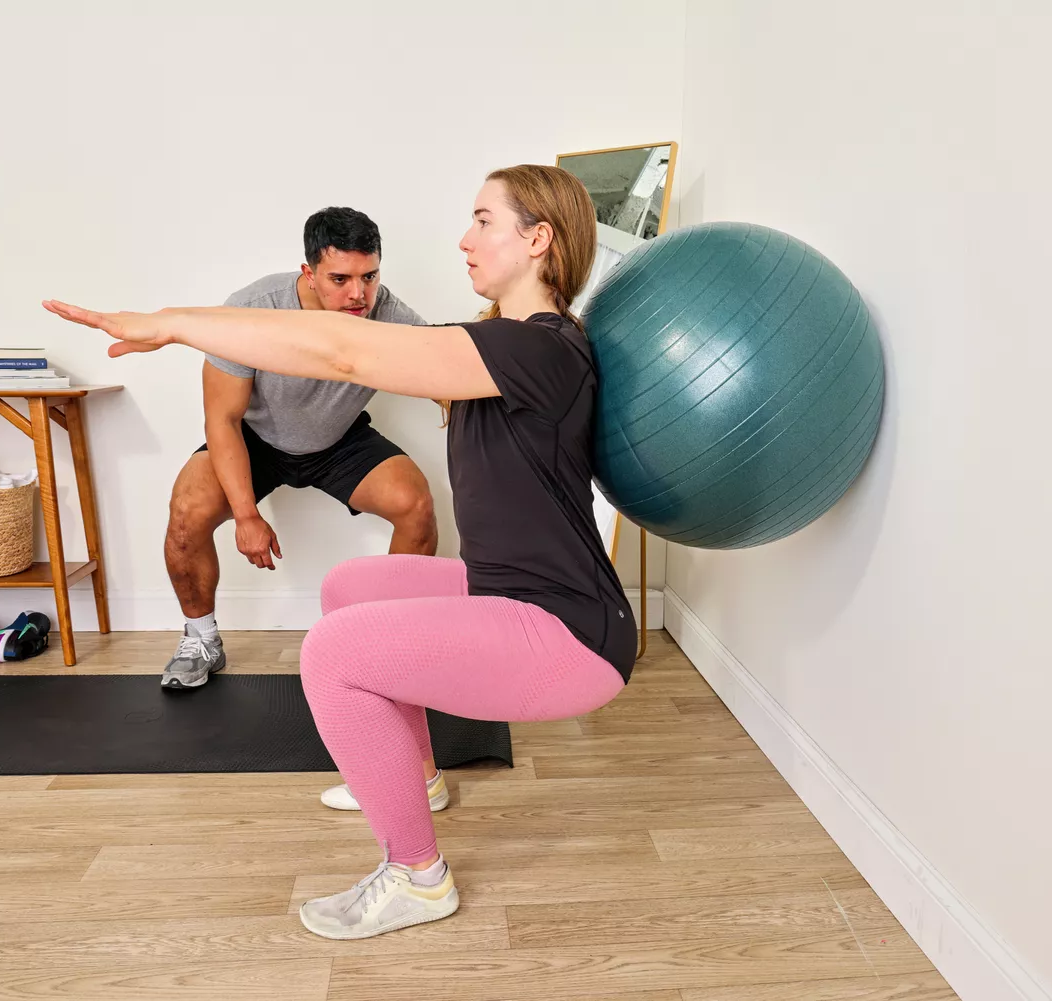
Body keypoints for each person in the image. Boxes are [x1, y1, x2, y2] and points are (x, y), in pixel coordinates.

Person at [43, 163, 636, 941]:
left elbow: (345, 352)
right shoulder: (502, 348)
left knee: (331, 653)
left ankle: (418, 876)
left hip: (568, 630)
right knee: (354, 587)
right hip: (512, 590)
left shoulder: (538, 349)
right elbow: (343, 346)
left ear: (538, 239)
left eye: (483, 220)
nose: (464, 239)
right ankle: (415, 779)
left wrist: (176, 322)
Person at [160, 207, 436, 690]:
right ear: (308, 272)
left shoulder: (386, 311)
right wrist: (246, 515)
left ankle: (389, 642)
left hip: (337, 439)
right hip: (256, 438)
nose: (358, 294)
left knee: (415, 505)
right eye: (340, 279)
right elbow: (222, 419)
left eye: (369, 276)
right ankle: (200, 639)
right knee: (187, 510)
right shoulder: (252, 310)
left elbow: (447, 367)